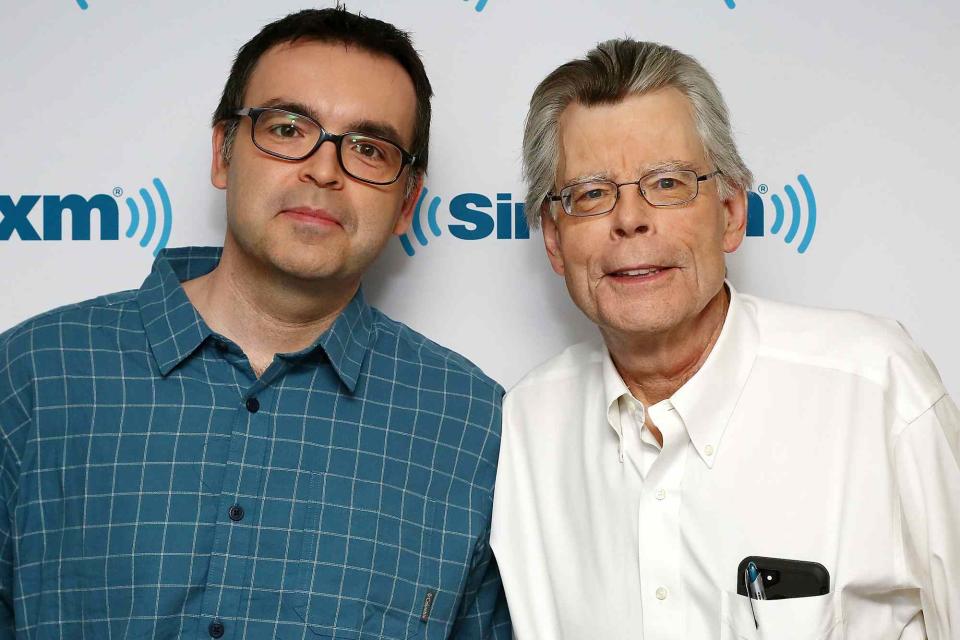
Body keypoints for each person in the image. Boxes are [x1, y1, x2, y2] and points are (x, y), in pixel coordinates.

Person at [0, 8, 510, 639]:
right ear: (222, 153)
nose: (324, 170)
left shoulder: (471, 427)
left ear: (407, 203)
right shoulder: (35, 376)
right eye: (289, 128)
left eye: (369, 149)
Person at [490, 38, 958, 639]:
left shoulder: (877, 389)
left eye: (666, 183)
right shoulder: (525, 428)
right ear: (554, 240)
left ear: (732, 211)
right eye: (591, 194)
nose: (630, 219)